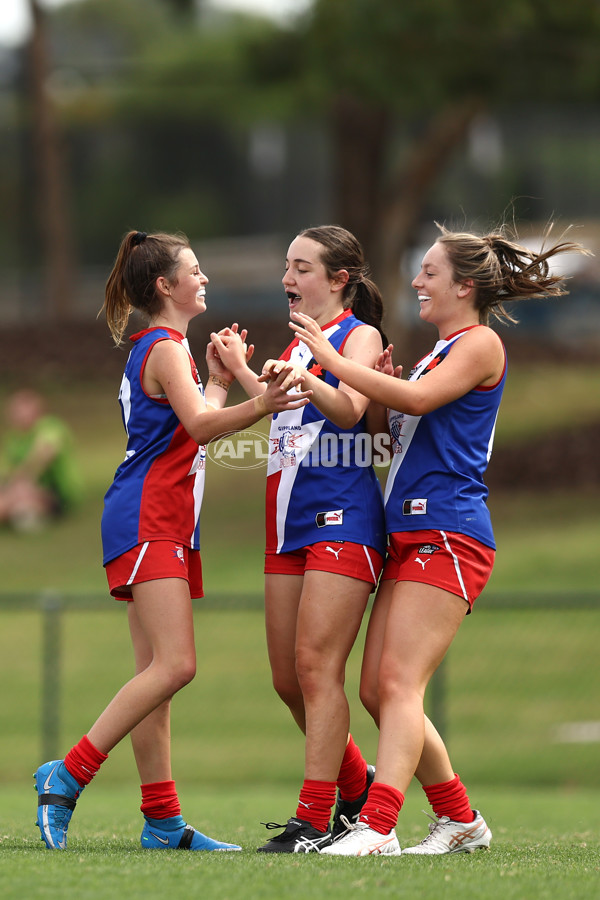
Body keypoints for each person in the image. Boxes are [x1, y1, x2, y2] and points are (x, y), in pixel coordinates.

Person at [286, 222, 586, 856]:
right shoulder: (437, 351)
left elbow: (418, 403)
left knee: (396, 683)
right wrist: (366, 392)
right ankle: (460, 821)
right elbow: (386, 434)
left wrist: (336, 362)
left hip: (450, 532)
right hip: (410, 533)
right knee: (376, 690)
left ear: (464, 285)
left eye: (428, 272)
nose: (417, 282)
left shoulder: (479, 345)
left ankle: (377, 825)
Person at [33, 229, 311, 852]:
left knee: (153, 678)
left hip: (163, 518)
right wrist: (264, 400)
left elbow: (190, 426)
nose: (205, 276)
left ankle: (162, 822)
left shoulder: (170, 349)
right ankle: (68, 773)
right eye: (195, 269)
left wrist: (216, 378)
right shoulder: (161, 345)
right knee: (177, 666)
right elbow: (205, 427)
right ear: (165, 286)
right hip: (148, 516)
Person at [210, 225, 387, 853]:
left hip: (342, 519)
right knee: (289, 679)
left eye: (303, 266)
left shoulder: (356, 336)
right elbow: (286, 413)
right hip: (285, 525)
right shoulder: (299, 342)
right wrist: (240, 371)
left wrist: (308, 367)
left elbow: (347, 412)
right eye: (287, 265)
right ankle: (357, 786)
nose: (289, 276)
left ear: (338, 279)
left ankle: (314, 819)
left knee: (317, 668)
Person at [0, 388, 81, 531]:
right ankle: (21, 512)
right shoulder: (14, 439)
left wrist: (20, 482)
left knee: (18, 497)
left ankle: (25, 512)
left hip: (57, 492)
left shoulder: (50, 427)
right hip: (26, 488)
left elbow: (44, 454)